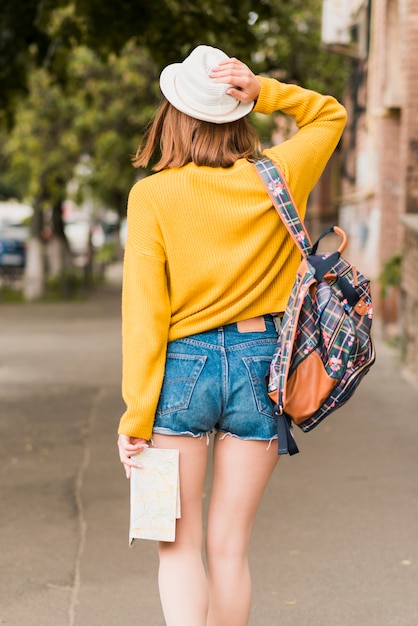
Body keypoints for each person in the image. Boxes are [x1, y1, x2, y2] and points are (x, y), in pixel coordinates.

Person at [117, 44, 346, 626]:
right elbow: (330, 114)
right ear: (236, 114)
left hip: (180, 373)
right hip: (262, 364)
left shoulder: (152, 195)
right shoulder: (279, 175)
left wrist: (134, 419)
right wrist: (264, 89)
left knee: (177, 546)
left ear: (173, 114)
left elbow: (144, 313)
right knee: (229, 549)